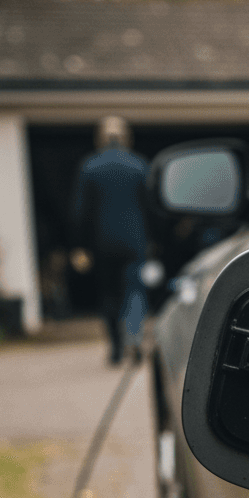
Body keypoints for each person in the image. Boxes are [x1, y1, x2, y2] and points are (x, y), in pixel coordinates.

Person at [70, 116, 151, 364]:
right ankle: (134, 340)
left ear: (101, 137)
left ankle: (116, 347)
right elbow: (150, 206)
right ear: (125, 136)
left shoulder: (90, 166)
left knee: (109, 295)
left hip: (102, 244)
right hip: (135, 241)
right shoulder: (139, 165)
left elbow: (80, 212)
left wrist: (79, 245)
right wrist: (154, 238)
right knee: (134, 290)